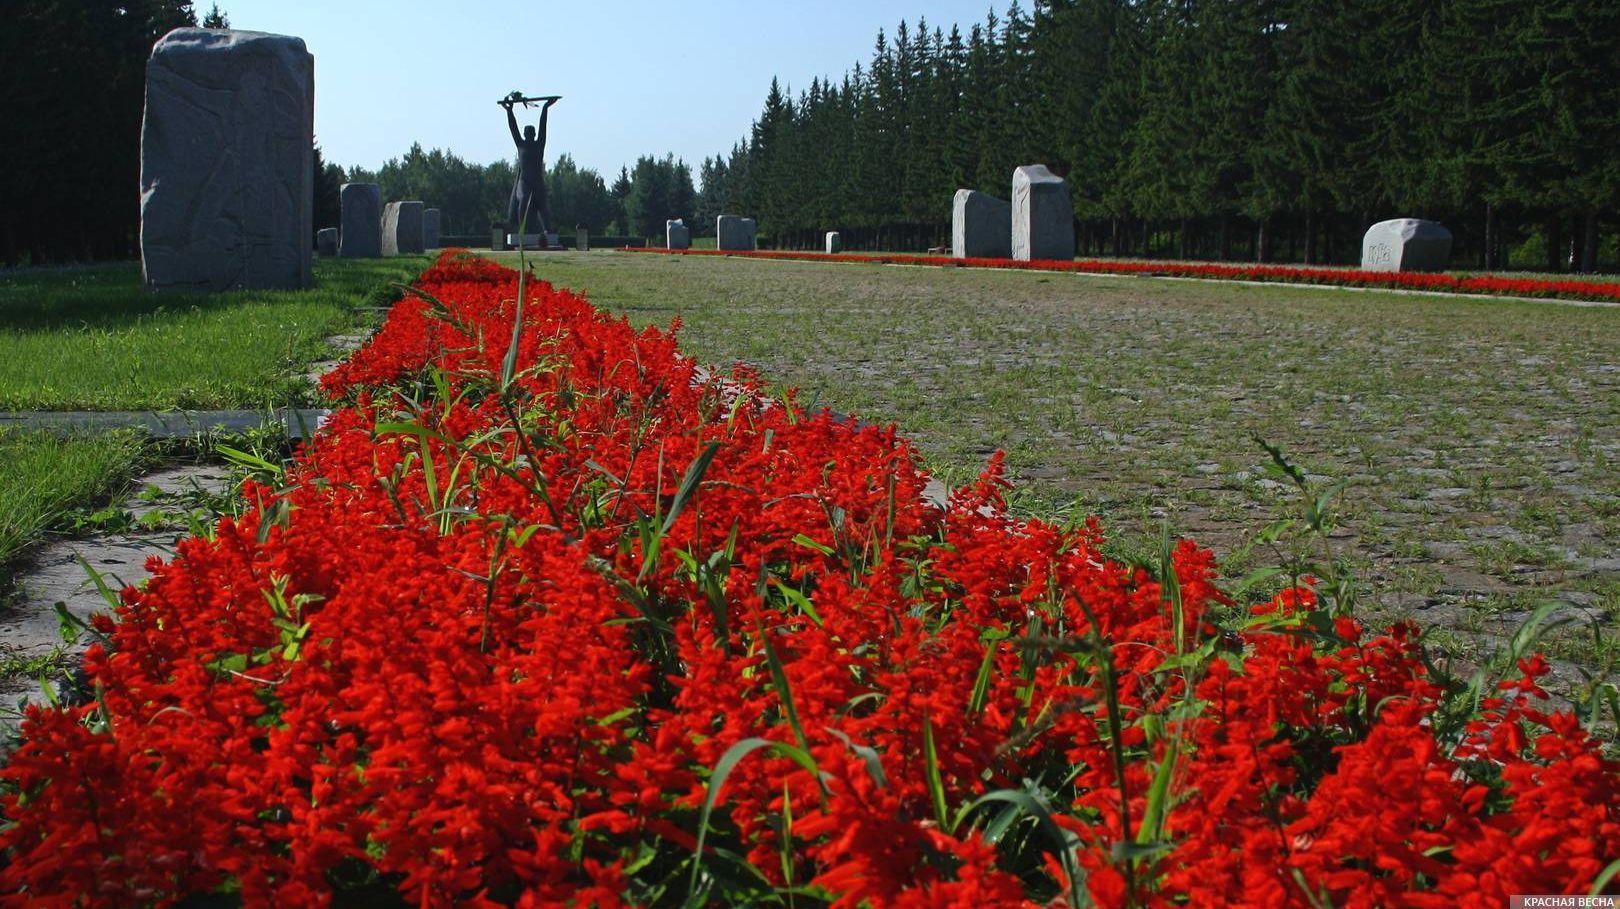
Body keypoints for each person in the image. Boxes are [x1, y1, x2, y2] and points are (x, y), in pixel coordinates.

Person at [501, 93, 559, 238]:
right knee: (524, 198)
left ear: (533, 134)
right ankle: (523, 230)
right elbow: (513, 128)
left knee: (542, 203)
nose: (529, 134)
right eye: (527, 132)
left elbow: (543, 126)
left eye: (531, 132)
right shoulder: (521, 145)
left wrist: (545, 108)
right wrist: (509, 111)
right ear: (525, 134)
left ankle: (547, 229)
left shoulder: (539, 145)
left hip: (537, 181)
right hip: (524, 182)